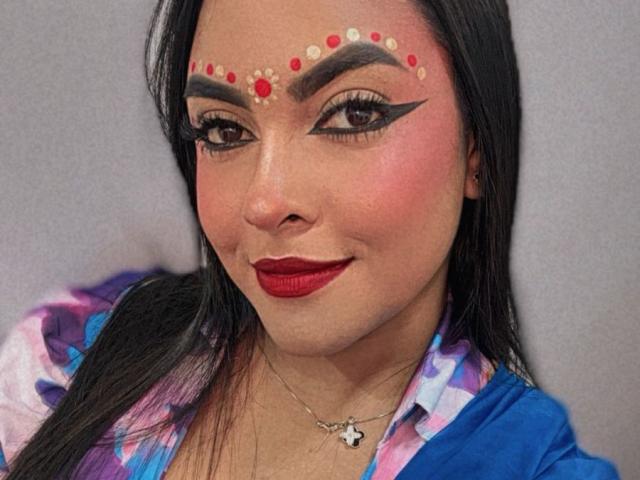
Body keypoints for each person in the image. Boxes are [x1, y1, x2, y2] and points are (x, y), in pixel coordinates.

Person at [0, 0, 620, 478]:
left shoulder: (530, 466)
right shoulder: (67, 358)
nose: (265, 202)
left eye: (354, 113)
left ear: (477, 149)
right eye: (222, 129)